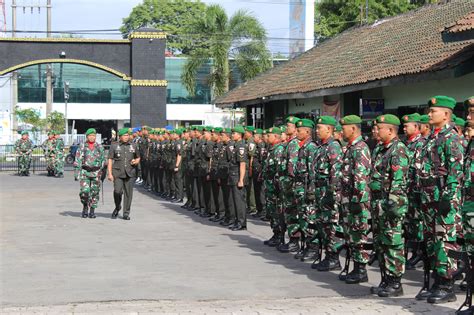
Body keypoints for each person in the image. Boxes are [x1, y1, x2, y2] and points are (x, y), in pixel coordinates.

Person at [418, 95, 464, 304]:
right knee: (432, 242)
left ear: (445, 114)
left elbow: (456, 171)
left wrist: (449, 197)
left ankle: (447, 285)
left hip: (444, 200)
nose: (429, 114)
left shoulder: (451, 138)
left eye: (433, 111)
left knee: (445, 242)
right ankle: (438, 280)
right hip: (429, 199)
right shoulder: (431, 138)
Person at [370, 114, 409, 297]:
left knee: (393, 242)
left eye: (380, 128)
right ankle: (385, 278)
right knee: (381, 242)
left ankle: (395, 282)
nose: (376, 131)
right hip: (379, 203)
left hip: (391, 204)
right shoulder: (379, 149)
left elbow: (398, 183)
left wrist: (392, 206)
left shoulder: (398, 150)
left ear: (391, 130)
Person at [339, 115, 372, 284]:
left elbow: (360, 178)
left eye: (344, 128)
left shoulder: (360, 148)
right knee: (352, 235)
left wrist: (359, 202)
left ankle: (361, 270)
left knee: (359, 235)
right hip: (349, 200)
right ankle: (356, 267)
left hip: (357, 201)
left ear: (353, 129)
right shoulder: (351, 148)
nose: (341, 131)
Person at [312, 116, 344, 271]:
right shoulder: (321, 147)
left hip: (329, 193)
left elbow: (336, 173)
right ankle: (327, 255)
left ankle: (334, 257)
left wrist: (334, 195)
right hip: (320, 193)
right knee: (323, 225)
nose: (317, 131)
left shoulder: (333, 147)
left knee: (331, 225)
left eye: (320, 128)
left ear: (329, 130)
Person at [402, 113, 427, 270]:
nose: (404, 129)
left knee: (418, 223)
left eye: (407, 126)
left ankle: (419, 253)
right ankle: (414, 252)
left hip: (416, 191)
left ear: (416, 127)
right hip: (407, 191)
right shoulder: (406, 144)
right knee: (410, 223)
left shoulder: (421, 144)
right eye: (403, 126)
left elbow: (418, 170)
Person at [107, 128, 141, 220]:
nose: (127, 137)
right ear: (120, 137)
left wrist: (136, 161)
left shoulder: (133, 145)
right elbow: (110, 160)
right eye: (124, 135)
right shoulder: (114, 146)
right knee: (117, 191)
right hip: (118, 173)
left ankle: (126, 213)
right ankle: (117, 206)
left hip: (130, 173)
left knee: (128, 194)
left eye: (128, 135)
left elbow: (138, 157)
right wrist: (109, 173)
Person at [73, 128, 105, 219]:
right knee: (84, 192)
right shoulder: (82, 147)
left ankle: (92, 210)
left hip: (96, 172)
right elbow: (78, 160)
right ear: (87, 136)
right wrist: (77, 173)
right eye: (90, 136)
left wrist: (103, 173)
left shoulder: (99, 147)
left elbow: (103, 160)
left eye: (93, 136)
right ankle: (85, 206)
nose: (92, 137)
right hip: (85, 172)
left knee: (95, 192)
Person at [228, 126, 248, 231]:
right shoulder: (236, 145)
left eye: (234, 133)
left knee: (239, 201)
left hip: (237, 176)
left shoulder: (241, 146)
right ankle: (237, 221)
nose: (232, 135)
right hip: (233, 175)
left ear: (240, 135)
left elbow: (242, 164)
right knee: (234, 201)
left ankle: (242, 223)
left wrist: (241, 180)